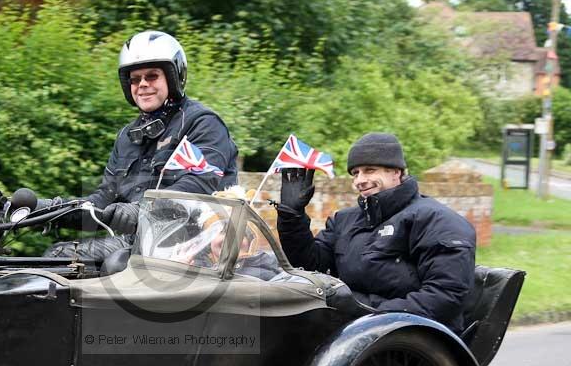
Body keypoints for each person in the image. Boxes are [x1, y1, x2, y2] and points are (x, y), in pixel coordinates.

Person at [41, 30, 239, 260]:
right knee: (56, 259)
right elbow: (104, 197)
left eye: (152, 76)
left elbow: (199, 184)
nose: (142, 84)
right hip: (138, 243)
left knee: (95, 263)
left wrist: (141, 208)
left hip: (196, 246)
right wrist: (50, 210)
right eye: (135, 79)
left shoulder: (202, 123)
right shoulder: (127, 136)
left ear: (174, 77)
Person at [276, 133, 476, 333]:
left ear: (396, 172)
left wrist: (366, 316)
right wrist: (291, 216)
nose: (360, 180)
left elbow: (445, 296)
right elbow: (309, 266)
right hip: (349, 326)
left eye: (370, 170)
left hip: (412, 336)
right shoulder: (344, 220)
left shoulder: (437, 221)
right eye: (355, 173)